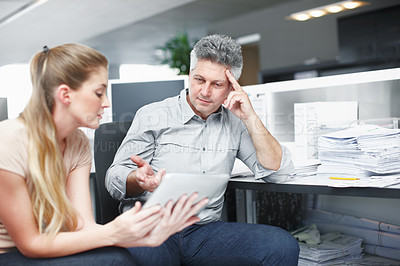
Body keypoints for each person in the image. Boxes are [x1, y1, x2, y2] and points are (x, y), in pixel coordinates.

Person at [0, 43, 208, 265]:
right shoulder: (10, 140)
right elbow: (31, 244)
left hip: (54, 244)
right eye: (99, 93)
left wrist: (142, 234)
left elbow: (83, 226)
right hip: (12, 253)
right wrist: (113, 232)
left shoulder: (77, 141)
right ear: (65, 95)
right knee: (115, 261)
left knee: (121, 257)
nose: (107, 103)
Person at [106, 34, 299, 265]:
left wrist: (250, 117)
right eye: (199, 79)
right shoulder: (152, 115)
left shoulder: (235, 123)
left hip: (203, 232)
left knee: (282, 245)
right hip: (152, 226)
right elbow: (114, 177)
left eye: (217, 84)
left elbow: (279, 172)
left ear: (231, 87)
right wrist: (137, 179)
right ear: (189, 74)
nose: (205, 92)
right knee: (140, 256)